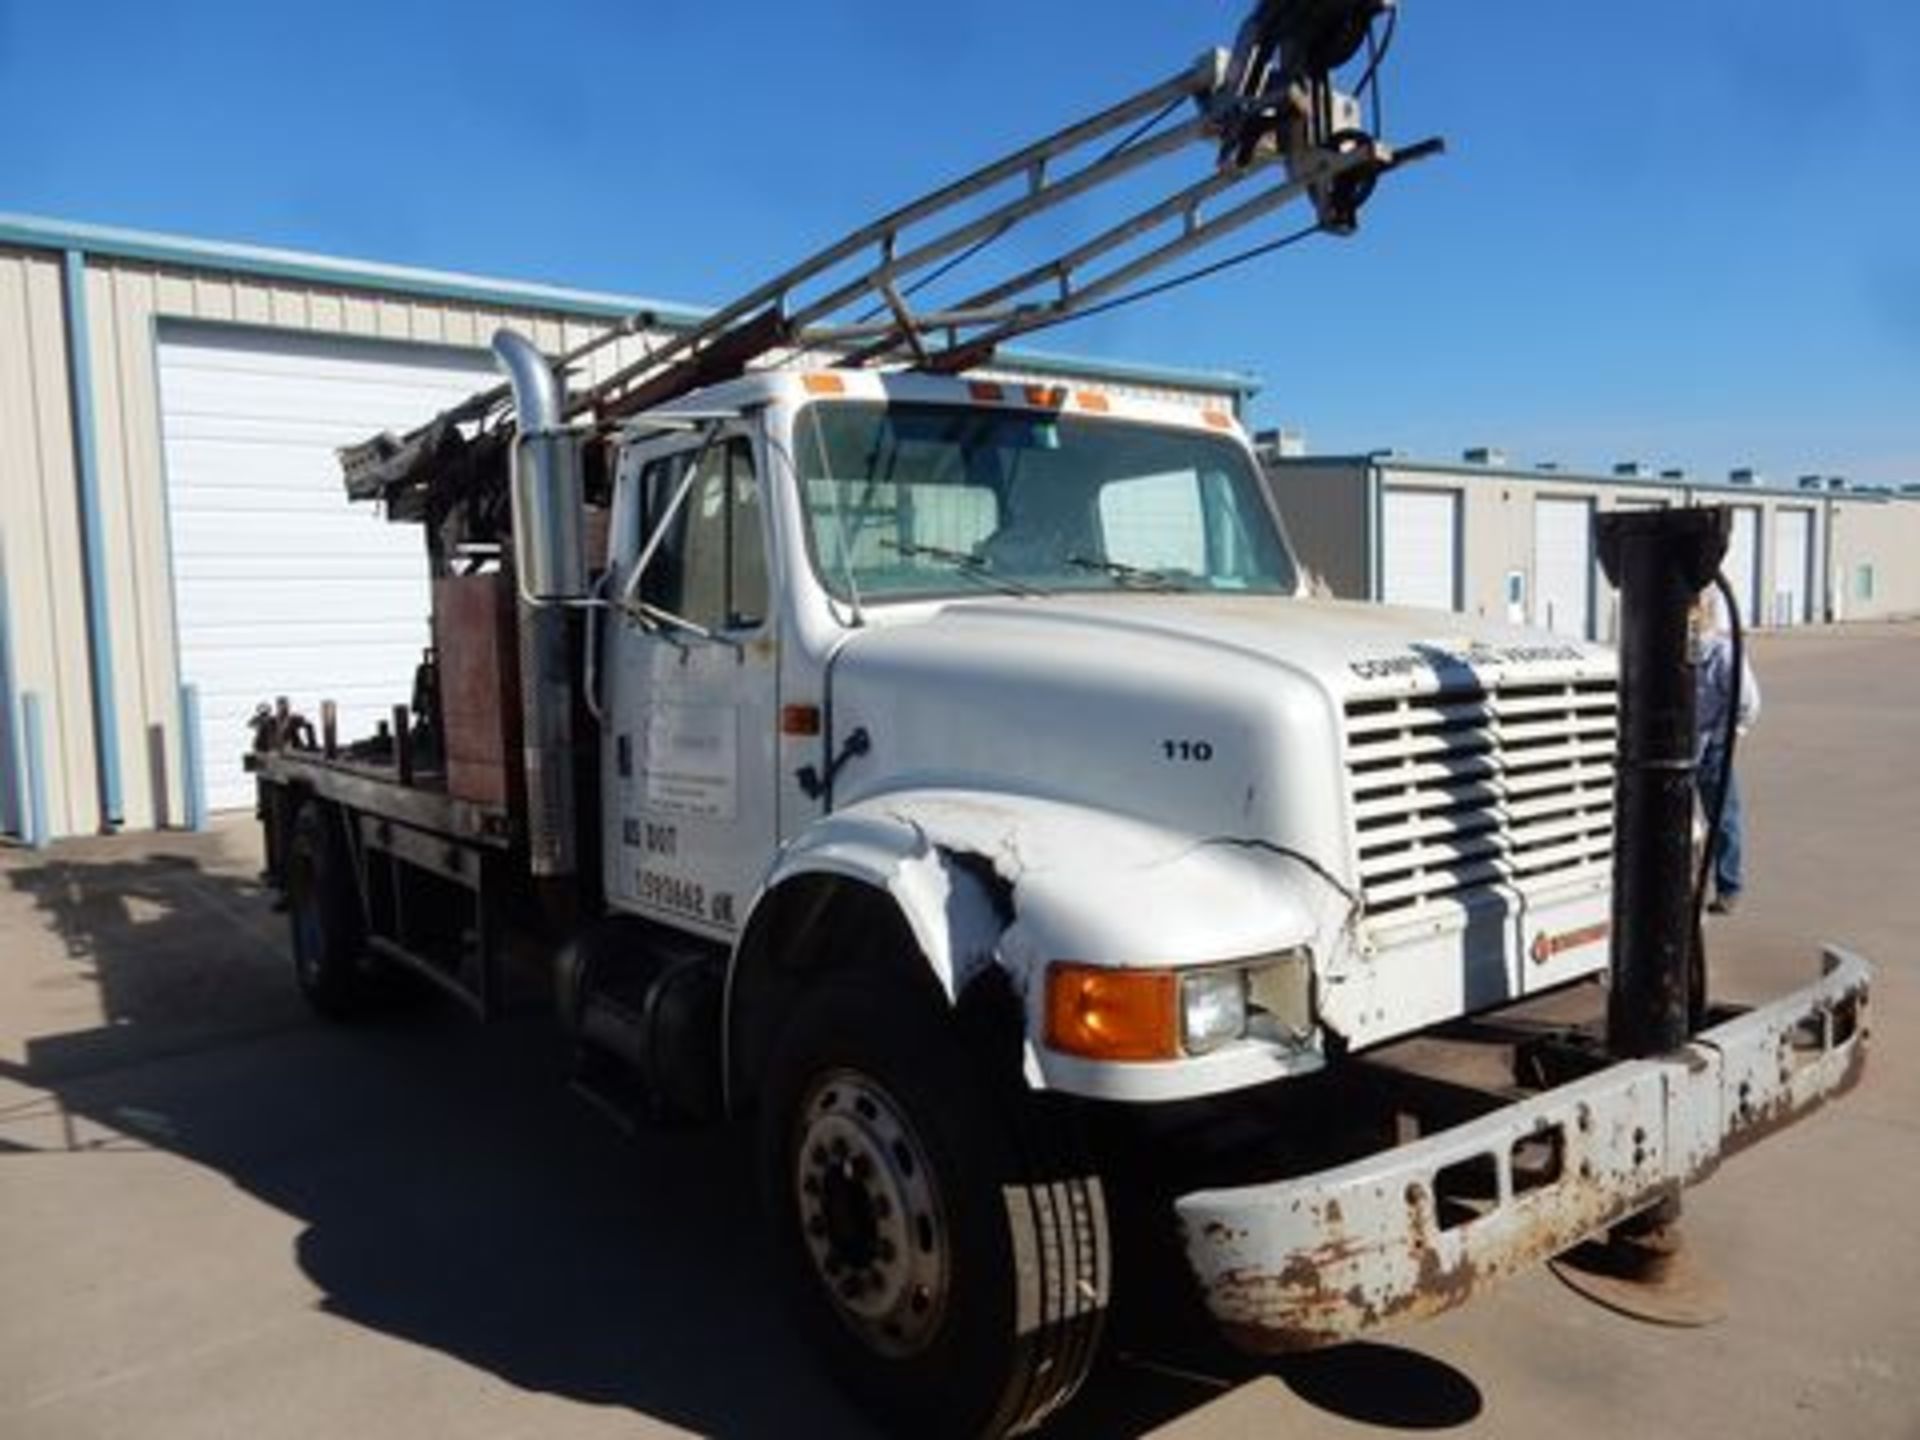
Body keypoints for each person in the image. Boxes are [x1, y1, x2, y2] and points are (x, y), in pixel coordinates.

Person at [1694, 592, 1760, 914]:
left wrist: (1724, 739)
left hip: (1712, 748)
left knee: (1722, 819)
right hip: (1678, 745)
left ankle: (1728, 886)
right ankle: (1682, 885)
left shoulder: (1722, 654)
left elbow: (1747, 703)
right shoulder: (1675, 651)